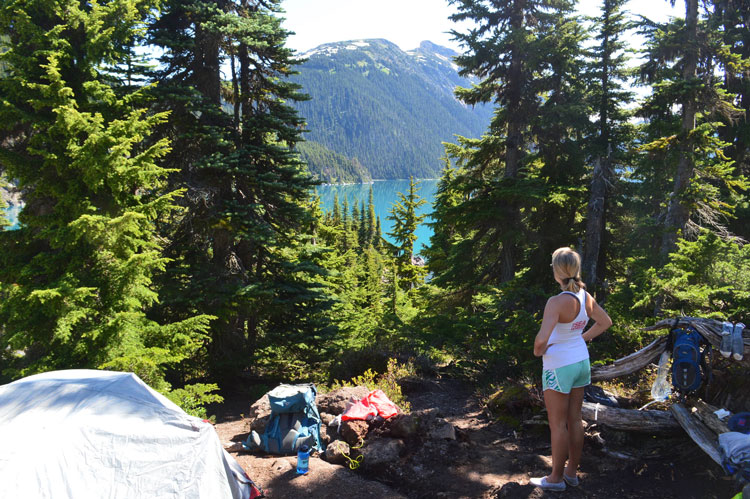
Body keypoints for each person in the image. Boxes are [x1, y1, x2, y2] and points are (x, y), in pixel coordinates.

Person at [529, 247, 612, 491]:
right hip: (580, 362)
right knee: (575, 420)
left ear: (557, 271)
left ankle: (555, 479)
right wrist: (582, 338)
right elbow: (605, 322)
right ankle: (571, 473)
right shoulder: (585, 296)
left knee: (557, 424)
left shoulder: (556, 302)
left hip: (559, 365)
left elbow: (540, 340)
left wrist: (538, 351)